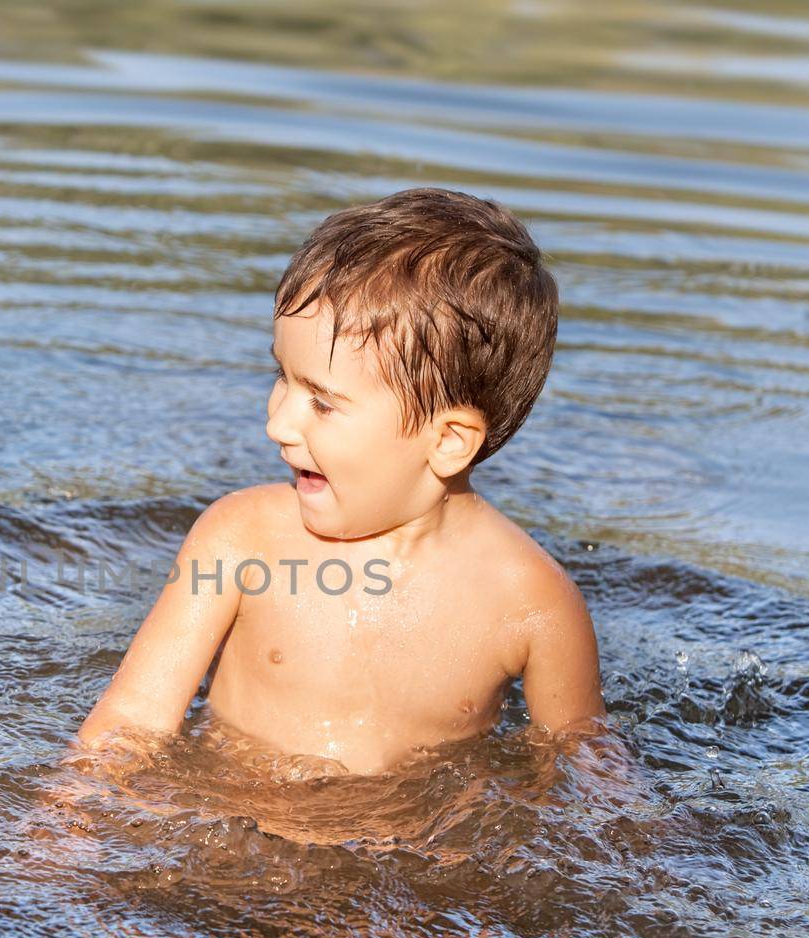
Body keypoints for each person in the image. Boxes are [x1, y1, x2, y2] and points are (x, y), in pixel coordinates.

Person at [74, 187, 606, 776]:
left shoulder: (534, 603)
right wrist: (60, 831)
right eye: (283, 375)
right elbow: (134, 718)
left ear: (449, 441)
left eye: (322, 403)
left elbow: (586, 768)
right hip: (237, 837)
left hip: (416, 860)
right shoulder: (241, 539)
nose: (276, 422)